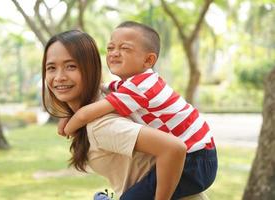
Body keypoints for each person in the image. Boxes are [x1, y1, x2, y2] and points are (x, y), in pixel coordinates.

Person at [58, 21, 218, 199]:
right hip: (197, 155)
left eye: (125, 48)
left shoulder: (141, 87)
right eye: (110, 48)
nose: (114, 53)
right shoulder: (127, 84)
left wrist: (68, 127)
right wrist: (69, 111)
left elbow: (85, 114)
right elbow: (97, 89)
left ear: (148, 60)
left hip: (196, 159)